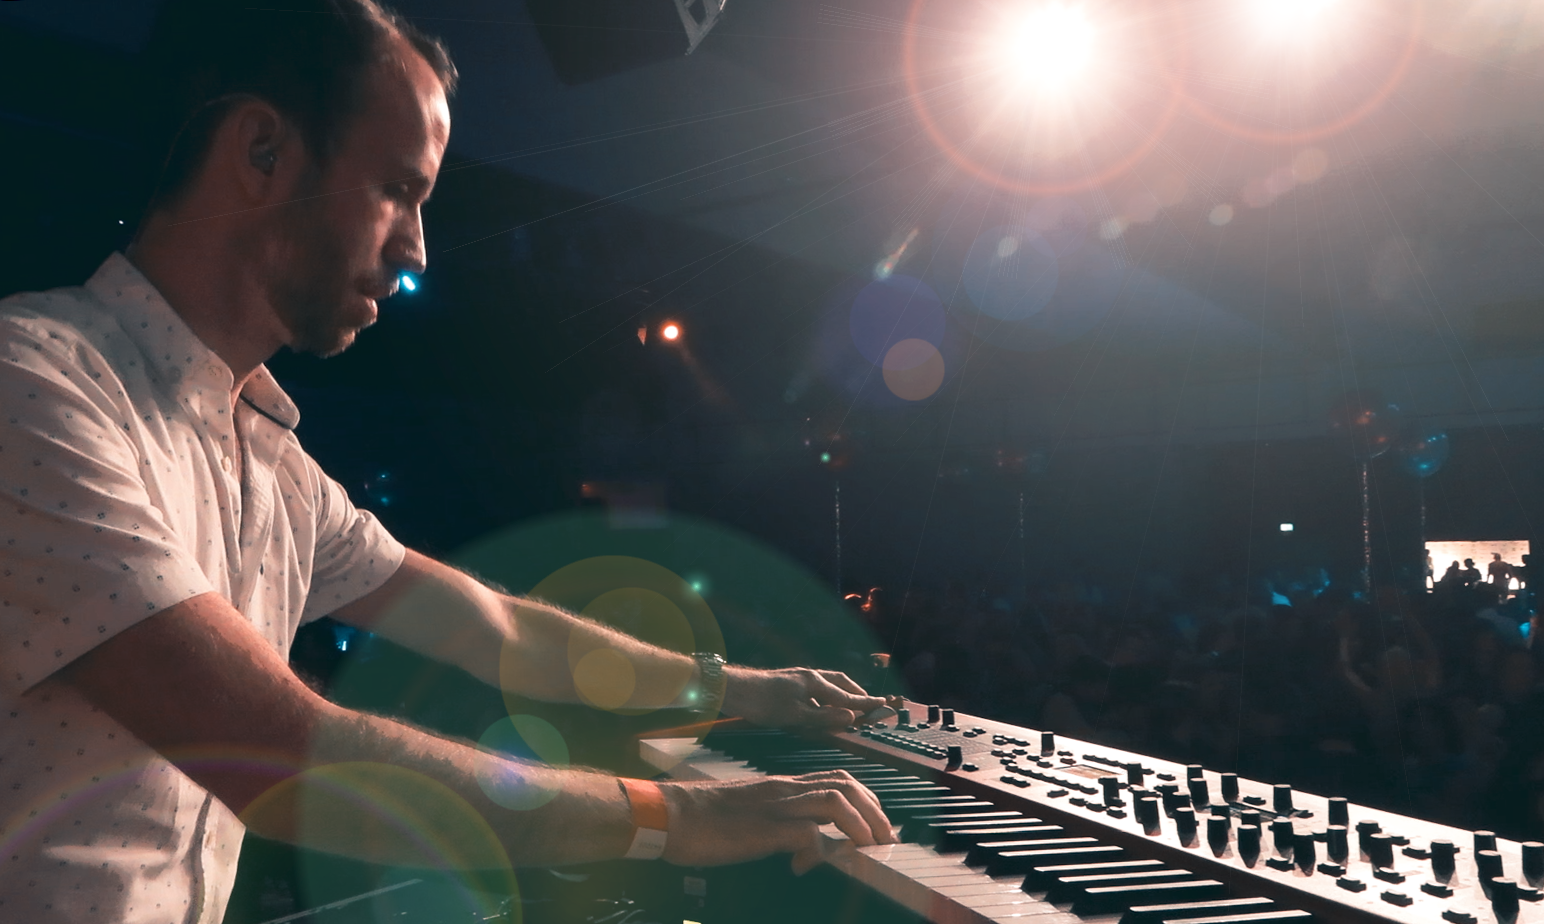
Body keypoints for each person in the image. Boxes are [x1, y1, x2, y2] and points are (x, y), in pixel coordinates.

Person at [0, 4, 893, 922]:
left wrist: (748, 690)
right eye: (398, 189)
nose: (417, 247)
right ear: (262, 150)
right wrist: (675, 818)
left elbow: (496, 629)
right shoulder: (31, 384)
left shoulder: (273, 467)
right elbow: (285, 757)